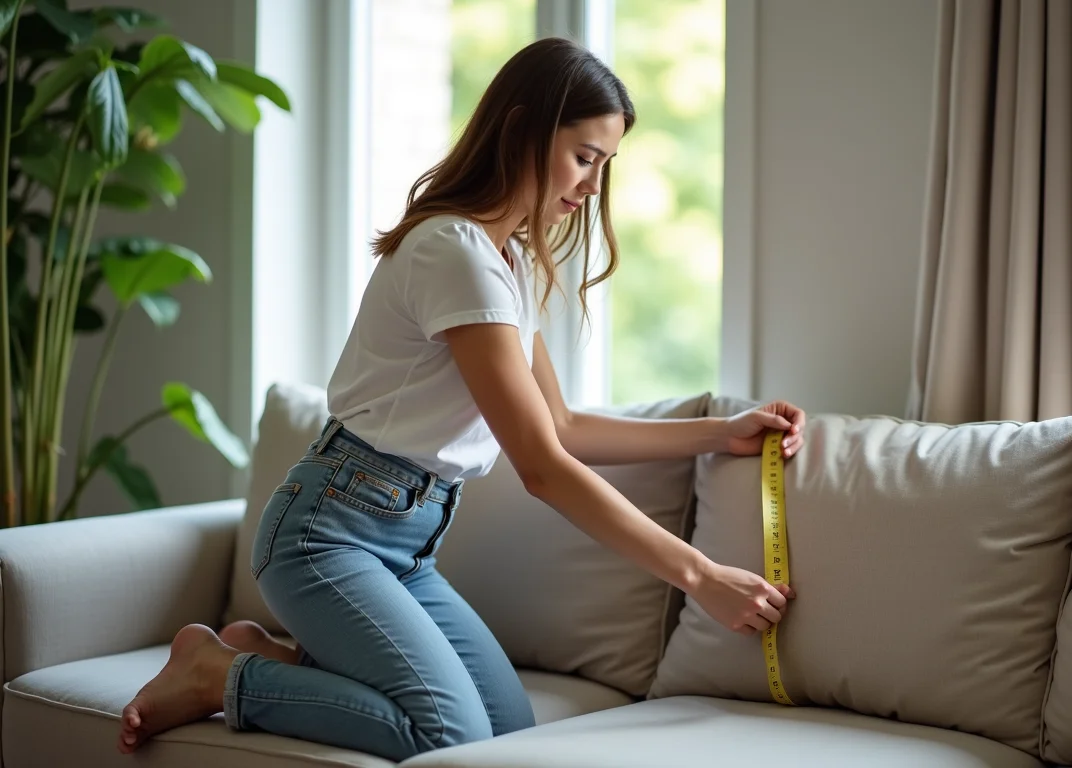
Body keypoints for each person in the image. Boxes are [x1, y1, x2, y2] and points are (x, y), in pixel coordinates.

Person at [117, 36, 806, 762]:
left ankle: (279, 658)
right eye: (584, 157)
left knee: (502, 736)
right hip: (325, 534)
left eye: (604, 164)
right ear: (520, 132)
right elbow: (541, 466)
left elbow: (563, 427)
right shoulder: (454, 254)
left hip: (406, 548)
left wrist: (719, 431)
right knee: (447, 736)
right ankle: (220, 675)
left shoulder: (506, 262)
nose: (594, 187)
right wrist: (700, 576)